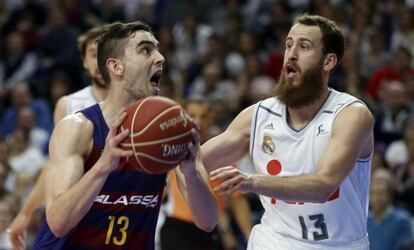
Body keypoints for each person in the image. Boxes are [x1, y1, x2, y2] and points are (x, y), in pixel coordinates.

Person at [32, 21, 217, 249]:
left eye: (157, 49)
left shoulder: (171, 131)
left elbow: (208, 221)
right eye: (146, 50)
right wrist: (102, 166)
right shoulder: (79, 128)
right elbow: (59, 222)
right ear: (116, 67)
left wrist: (190, 171)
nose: (160, 58)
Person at [202, 14, 374, 249]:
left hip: (339, 244)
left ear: (328, 62)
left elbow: (323, 186)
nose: (291, 54)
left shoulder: (350, 115)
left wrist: (252, 181)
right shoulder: (258, 116)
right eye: (289, 44)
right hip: (274, 240)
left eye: (304, 47)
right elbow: (195, 161)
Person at [7, 25, 111, 250]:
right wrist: (26, 212)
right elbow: (54, 169)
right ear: (83, 61)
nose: (100, 60)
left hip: (116, 209)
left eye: (106, 53)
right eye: (94, 54)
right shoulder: (69, 105)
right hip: (73, 210)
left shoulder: (139, 107)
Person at [160, 97, 252, 250]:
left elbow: (237, 200)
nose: (198, 122)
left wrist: (249, 236)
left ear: (211, 118)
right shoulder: (172, 150)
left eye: (203, 116)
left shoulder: (224, 153)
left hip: (209, 231)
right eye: (192, 116)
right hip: (177, 229)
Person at [367, 169, 414, 250]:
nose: (377, 198)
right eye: (374, 194)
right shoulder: (365, 221)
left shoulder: (402, 220)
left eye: (381, 193)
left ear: (389, 195)